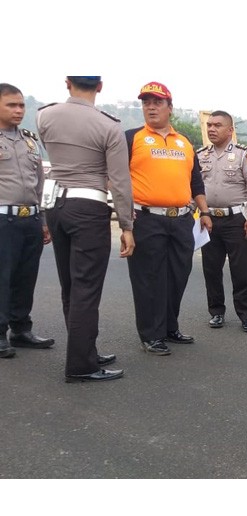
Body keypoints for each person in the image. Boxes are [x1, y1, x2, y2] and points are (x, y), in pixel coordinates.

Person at [36, 76, 135, 383]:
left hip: (56, 206)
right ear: (100, 86)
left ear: (67, 83)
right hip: (89, 208)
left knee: (71, 285)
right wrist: (127, 225)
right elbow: (119, 182)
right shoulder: (108, 127)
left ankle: (84, 350)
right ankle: (81, 365)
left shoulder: (44, 115)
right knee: (86, 289)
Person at [125, 81, 212, 356]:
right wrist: (125, 220)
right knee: (148, 278)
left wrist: (205, 212)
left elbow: (195, 182)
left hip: (182, 219)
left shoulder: (184, 143)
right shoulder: (131, 138)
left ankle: (169, 327)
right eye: (146, 102)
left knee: (177, 275)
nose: (151, 107)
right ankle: (151, 334)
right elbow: (115, 179)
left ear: (169, 108)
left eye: (157, 102)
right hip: (146, 218)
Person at [0, 83, 53, 360]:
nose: (19, 110)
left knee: (25, 276)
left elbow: (39, 184)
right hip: (2, 220)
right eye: (12, 105)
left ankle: (21, 330)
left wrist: (43, 220)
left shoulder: (30, 141)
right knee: (2, 277)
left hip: (30, 218)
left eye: (21, 105)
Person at [198, 111, 247, 333]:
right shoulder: (201, 155)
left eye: (217, 125)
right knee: (211, 269)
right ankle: (216, 312)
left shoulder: (244, 155)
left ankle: (246, 315)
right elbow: (194, 188)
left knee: (240, 269)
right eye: (209, 125)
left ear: (230, 130)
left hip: (236, 219)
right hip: (209, 220)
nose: (212, 129)